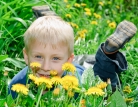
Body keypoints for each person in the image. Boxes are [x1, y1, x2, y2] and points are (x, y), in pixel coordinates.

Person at [8, 5, 137, 98]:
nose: (45, 67)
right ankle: (52, 24)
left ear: (68, 61)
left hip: (81, 69)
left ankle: (108, 53)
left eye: (55, 58)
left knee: (103, 80)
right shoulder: (18, 84)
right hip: (66, 59)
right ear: (26, 56)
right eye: (38, 57)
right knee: (62, 51)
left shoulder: (76, 84)